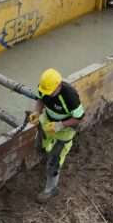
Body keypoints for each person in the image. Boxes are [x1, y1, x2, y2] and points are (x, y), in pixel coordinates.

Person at [29, 68, 85, 198]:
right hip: (48, 122)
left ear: (59, 86)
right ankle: (47, 153)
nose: (47, 94)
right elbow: (40, 100)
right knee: (39, 146)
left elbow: (79, 117)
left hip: (64, 129)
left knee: (54, 161)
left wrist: (60, 125)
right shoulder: (44, 88)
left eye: (50, 92)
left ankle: (51, 189)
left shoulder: (70, 96)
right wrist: (36, 112)